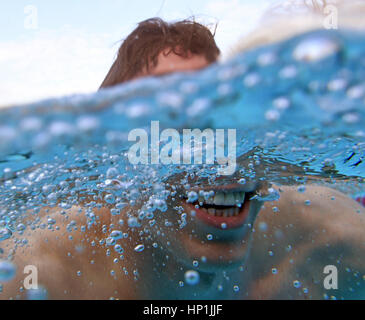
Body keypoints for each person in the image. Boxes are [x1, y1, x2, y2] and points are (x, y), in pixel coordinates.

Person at [1, 17, 364, 300]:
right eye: (170, 123)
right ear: (114, 160)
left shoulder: (333, 241)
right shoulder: (37, 271)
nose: (217, 154)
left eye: (227, 116)